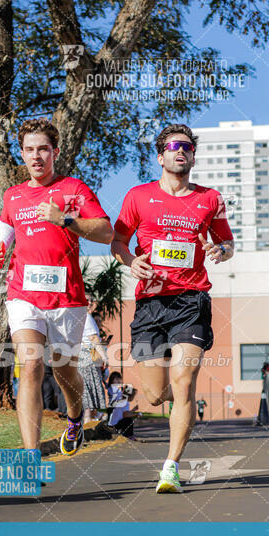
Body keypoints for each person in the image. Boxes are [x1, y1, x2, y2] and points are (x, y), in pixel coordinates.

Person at [112, 123, 234, 493]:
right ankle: (179, 401)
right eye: (173, 146)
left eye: (187, 147)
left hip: (191, 300)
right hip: (150, 303)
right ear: (160, 155)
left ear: (193, 156)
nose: (180, 151)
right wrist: (130, 261)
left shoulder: (210, 199)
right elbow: (118, 241)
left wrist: (221, 250)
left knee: (183, 382)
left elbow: (227, 242)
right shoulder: (138, 197)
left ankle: (171, 468)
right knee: (154, 394)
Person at [0, 117, 113, 456]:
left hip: (66, 299)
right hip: (23, 294)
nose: (36, 157)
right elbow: (5, 231)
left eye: (43, 149)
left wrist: (66, 220)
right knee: (30, 364)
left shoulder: (74, 189)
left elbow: (105, 233)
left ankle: (75, 417)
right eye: (29, 150)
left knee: (65, 371)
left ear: (54, 152)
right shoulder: (13, 196)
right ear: (22, 154)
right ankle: (30, 456)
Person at [77, 300, 107, 423]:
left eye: (91, 301)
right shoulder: (87, 318)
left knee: (87, 386)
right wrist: (104, 356)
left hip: (81, 355)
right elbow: (93, 338)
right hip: (88, 355)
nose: (89, 303)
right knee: (89, 386)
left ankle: (93, 415)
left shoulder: (78, 317)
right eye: (86, 301)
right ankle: (88, 418)